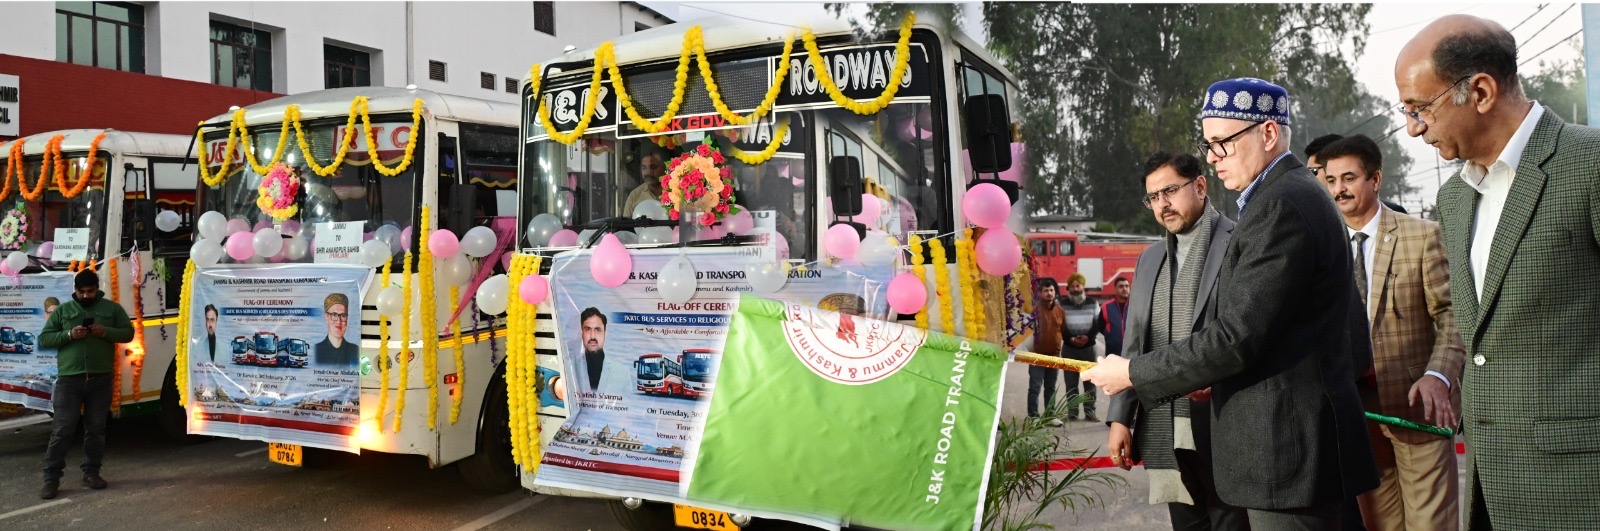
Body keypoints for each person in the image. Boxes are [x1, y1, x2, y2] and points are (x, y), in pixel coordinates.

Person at [1083, 77, 1379, 528]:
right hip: (1287, 448)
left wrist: (1130, 373)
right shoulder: (1281, 197)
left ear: (1268, 133)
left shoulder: (1280, 205)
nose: (1212, 156)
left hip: (1288, 452)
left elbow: (1236, 337)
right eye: (1208, 144)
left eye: (1222, 142)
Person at [1394, 15, 1600, 529]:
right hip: (1489, 483)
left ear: (1480, 91)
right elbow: (1478, 331)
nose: (1415, 128)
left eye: (1420, 108)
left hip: (1579, 486)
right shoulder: (1455, 196)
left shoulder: (1588, 164)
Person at [1319, 134, 1464, 530]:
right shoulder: (1320, 245)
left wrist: (1438, 376)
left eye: (1348, 178)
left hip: (1417, 408)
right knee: (1380, 525)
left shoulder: (1422, 235)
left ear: (1375, 179)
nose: (1338, 189)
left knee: (1430, 525)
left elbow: (1452, 315)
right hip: (1357, 413)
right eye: (1331, 180)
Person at [1106, 151, 1247, 530]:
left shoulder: (1239, 243)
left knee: (1233, 523)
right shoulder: (1149, 259)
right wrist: (1121, 419)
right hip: (1163, 424)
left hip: (1225, 422)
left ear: (1200, 186)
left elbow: (1244, 335)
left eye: (1170, 190)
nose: (1162, 205)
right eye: (1153, 197)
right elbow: (1135, 345)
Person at [37, 270, 133, 500]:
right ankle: (51, 480)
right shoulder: (63, 310)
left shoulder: (112, 309)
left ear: (97, 288)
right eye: (82, 292)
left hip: (100, 380)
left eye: (91, 291)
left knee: (96, 429)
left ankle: (91, 473)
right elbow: (45, 339)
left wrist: (106, 331)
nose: (87, 296)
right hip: (70, 381)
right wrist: (69, 334)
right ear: (76, 291)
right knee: (62, 430)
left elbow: (128, 333)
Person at [1306, 134, 1408, 217]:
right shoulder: (1312, 220)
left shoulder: (1397, 216)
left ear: (1375, 179)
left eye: (1313, 171)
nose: (1307, 177)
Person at [1060, 273, 1100, 422]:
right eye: (1073, 286)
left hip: (1088, 348)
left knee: (1090, 382)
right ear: (1068, 288)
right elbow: (1060, 325)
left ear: (1082, 287)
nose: (1076, 288)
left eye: (1078, 285)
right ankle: (1073, 412)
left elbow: (1097, 323)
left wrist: (1088, 337)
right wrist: (1069, 338)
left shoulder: (1093, 302)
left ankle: (1090, 412)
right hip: (1069, 348)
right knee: (1071, 383)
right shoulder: (1062, 304)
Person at [1027, 277, 1065, 426]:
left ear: (1055, 292)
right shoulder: (1034, 310)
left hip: (1054, 356)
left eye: (1051, 290)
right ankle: (1033, 416)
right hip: (1036, 357)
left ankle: (1050, 416)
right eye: (1045, 291)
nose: (1049, 293)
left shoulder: (1060, 311)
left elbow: (1061, 331)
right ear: (1040, 293)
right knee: (1035, 387)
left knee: (1050, 387)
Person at [313, 293, 357, 367]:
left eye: (343, 315)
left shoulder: (355, 351)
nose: (339, 321)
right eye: (334, 315)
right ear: (326, 317)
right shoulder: (316, 351)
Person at [622, 152, 668, 216]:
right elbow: (625, 224)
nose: (648, 172)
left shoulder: (676, 193)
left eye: (653, 167)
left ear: (664, 169)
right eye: (644, 168)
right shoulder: (635, 195)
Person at [1097, 277, 1131, 360]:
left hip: (1132, 351)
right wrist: (1110, 335)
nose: (1124, 289)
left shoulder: (1135, 305)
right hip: (1113, 353)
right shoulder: (1106, 306)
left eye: (1127, 286)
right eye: (1121, 286)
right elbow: (1100, 326)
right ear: (1115, 288)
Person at [580, 307, 608, 390]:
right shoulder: (569, 368)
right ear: (581, 332)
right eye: (588, 329)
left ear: (605, 333)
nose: (592, 336)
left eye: (597, 330)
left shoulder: (622, 373)